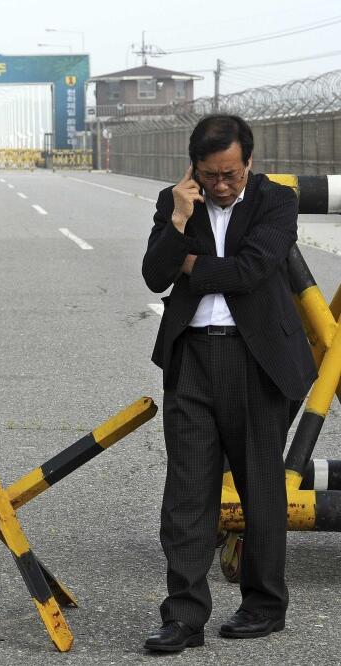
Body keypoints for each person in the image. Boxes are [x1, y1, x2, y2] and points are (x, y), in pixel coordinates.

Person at [140, 114, 316, 653]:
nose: (221, 186)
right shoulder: (177, 201)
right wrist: (178, 221)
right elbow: (154, 275)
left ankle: (264, 606)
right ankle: (184, 617)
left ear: (249, 164)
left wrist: (191, 262)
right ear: (194, 168)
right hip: (191, 357)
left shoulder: (274, 202)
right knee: (187, 492)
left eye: (231, 175)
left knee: (260, 488)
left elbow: (252, 271)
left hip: (256, 359)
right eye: (211, 175)